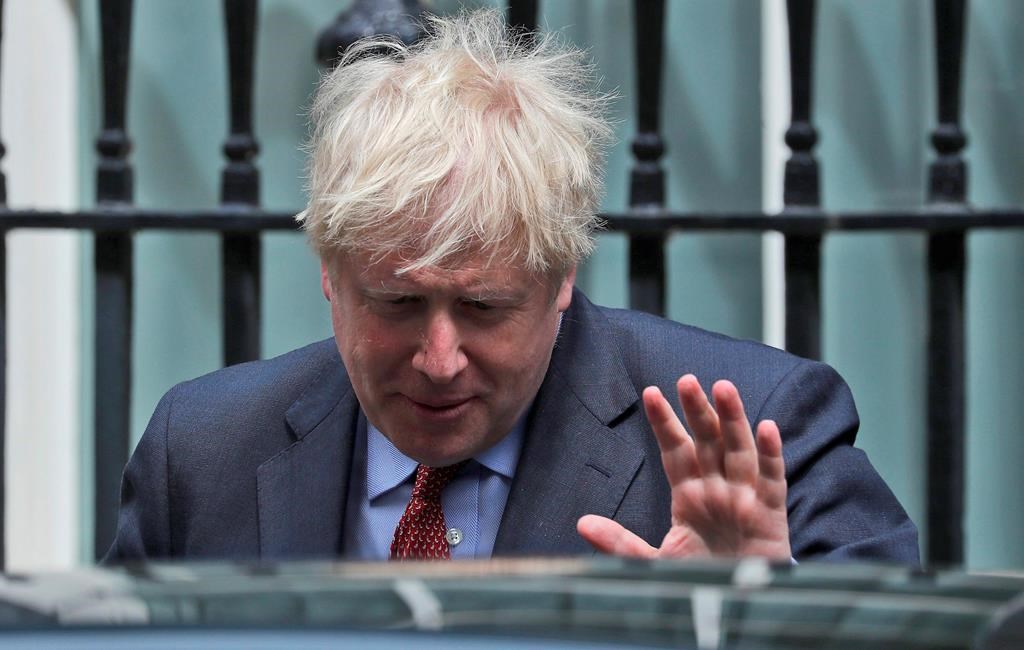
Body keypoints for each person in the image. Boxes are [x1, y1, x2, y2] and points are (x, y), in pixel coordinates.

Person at [105, 10, 918, 564]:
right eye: (397, 302)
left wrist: (766, 626)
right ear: (327, 270)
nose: (439, 356)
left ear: (562, 275)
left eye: (483, 307)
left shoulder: (760, 428)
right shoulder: (203, 449)